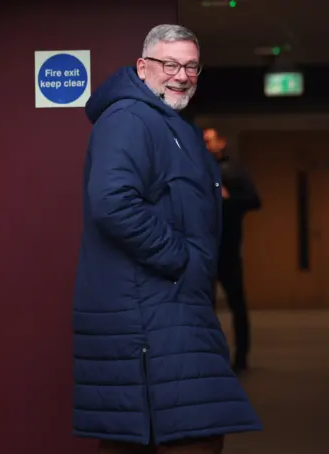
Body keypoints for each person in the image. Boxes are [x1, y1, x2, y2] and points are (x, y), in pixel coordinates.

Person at [72, 24, 262, 454]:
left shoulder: (165, 123)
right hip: (151, 316)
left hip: (170, 311)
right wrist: (181, 259)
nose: (182, 75)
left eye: (192, 66)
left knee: (177, 433)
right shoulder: (129, 118)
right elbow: (112, 202)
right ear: (143, 67)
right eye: (170, 64)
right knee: (191, 435)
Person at [203, 128, 261, 373]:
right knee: (203, 307)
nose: (205, 144)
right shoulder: (197, 169)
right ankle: (207, 357)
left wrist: (228, 197)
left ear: (222, 142)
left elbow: (254, 201)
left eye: (209, 140)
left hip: (228, 249)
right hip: (203, 250)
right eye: (202, 140)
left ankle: (241, 357)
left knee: (237, 304)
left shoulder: (235, 171)